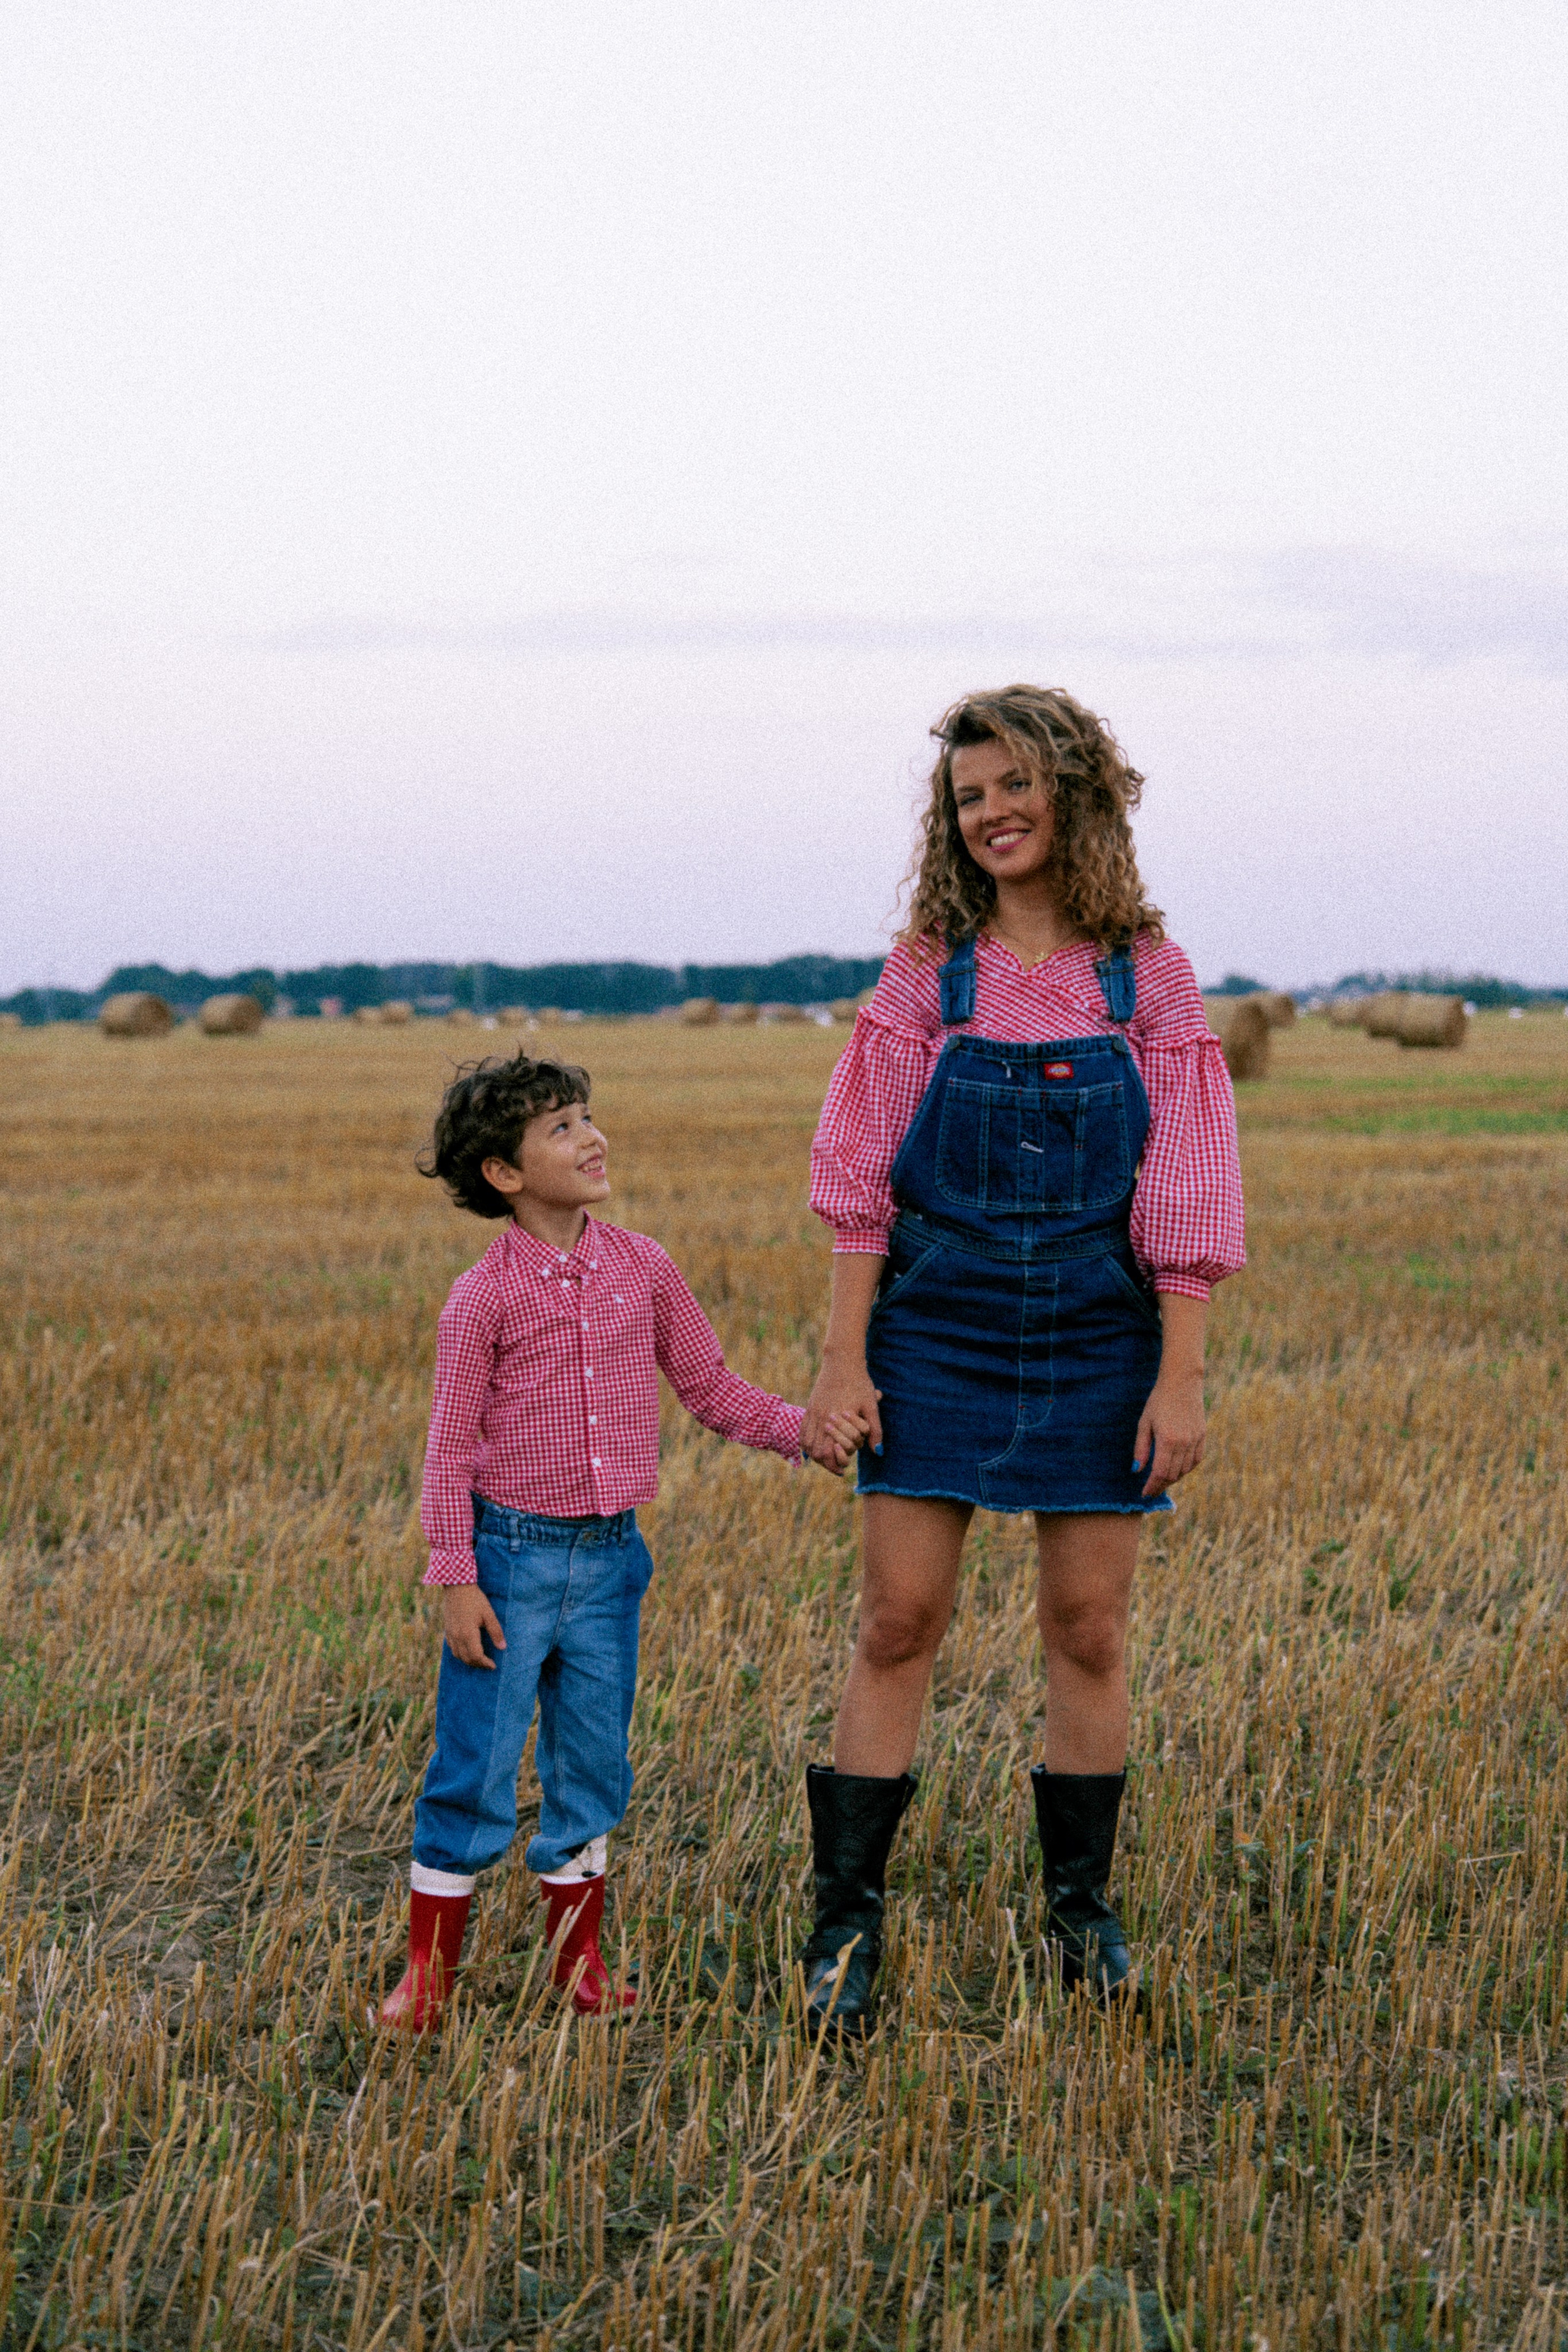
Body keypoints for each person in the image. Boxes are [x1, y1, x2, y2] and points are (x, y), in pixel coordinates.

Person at [798, 685, 1245, 2034]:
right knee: (898, 1619)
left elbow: (1185, 1178)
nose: (989, 812)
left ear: (1074, 792)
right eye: (967, 795)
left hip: (1102, 1328)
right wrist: (841, 1361)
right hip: (935, 1321)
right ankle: (843, 1925)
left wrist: (1180, 1373)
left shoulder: (1147, 977)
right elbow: (861, 1185)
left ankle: (1079, 1917)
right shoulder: (926, 972)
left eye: (1013, 785)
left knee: (1088, 1629)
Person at [382, 1050, 865, 2032]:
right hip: (509, 1562)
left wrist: (804, 1432)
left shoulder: (645, 1266)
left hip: (610, 1563)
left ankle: (579, 1966)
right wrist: (454, 1576)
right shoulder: (482, 1298)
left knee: (593, 1769)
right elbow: (449, 1448)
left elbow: (710, 1388)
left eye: (588, 1118)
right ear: (504, 1174)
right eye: (560, 1128)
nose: (592, 1137)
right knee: (474, 1771)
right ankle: (429, 1975)